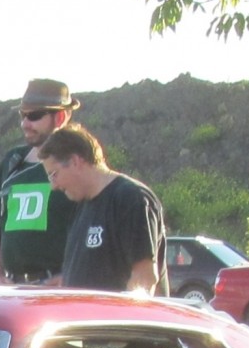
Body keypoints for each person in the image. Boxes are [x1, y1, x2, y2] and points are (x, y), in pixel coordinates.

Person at [38, 126, 168, 295]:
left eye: (54, 174)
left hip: (117, 320)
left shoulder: (130, 198)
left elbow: (144, 278)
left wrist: (122, 319)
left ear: (76, 161)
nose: (53, 186)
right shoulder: (81, 205)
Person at [0, 79, 80, 286]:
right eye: (22, 115)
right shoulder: (11, 163)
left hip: (58, 288)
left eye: (34, 116)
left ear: (60, 117)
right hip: (14, 289)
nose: (25, 124)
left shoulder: (78, 165)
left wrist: (71, 278)